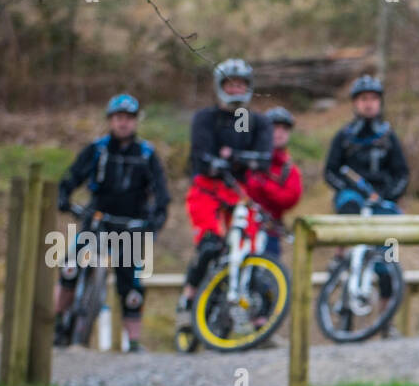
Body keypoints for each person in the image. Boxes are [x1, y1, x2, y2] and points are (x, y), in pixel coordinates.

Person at [55, 93, 169, 352]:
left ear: (136, 121)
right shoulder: (97, 149)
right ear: (110, 120)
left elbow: (161, 194)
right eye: (118, 118)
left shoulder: (147, 154)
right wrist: (64, 198)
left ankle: (134, 342)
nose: (123, 123)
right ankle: (58, 324)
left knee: (131, 286)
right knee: (69, 268)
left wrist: (155, 220)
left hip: (130, 226)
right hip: (97, 220)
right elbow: (71, 177)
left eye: (129, 118)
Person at [179, 57, 273, 327]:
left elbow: (263, 160)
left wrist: (231, 157)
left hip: (239, 193)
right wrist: (241, 159)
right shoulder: (205, 118)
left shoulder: (256, 121)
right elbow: (204, 160)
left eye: (240, 84)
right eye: (230, 84)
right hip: (206, 191)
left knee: (251, 249)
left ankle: (258, 316)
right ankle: (188, 301)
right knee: (210, 245)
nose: (235, 89)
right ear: (220, 86)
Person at [324, 75, 409, 214]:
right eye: (364, 99)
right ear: (355, 102)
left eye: (373, 98)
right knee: (349, 207)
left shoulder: (389, 137)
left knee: (392, 224)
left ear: (380, 102)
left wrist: (388, 196)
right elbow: (330, 172)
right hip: (351, 196)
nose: (369, 104)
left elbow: (402, 174)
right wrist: (347, 188)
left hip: (383, 197)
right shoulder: (344, 137)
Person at [244, 105, 303, 260]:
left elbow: (290, 198)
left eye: (284, 128)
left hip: (270, 231)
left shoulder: (289, 168)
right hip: (242, 228)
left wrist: (263, 184)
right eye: (274, 127)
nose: (279, 133)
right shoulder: (249, 157)